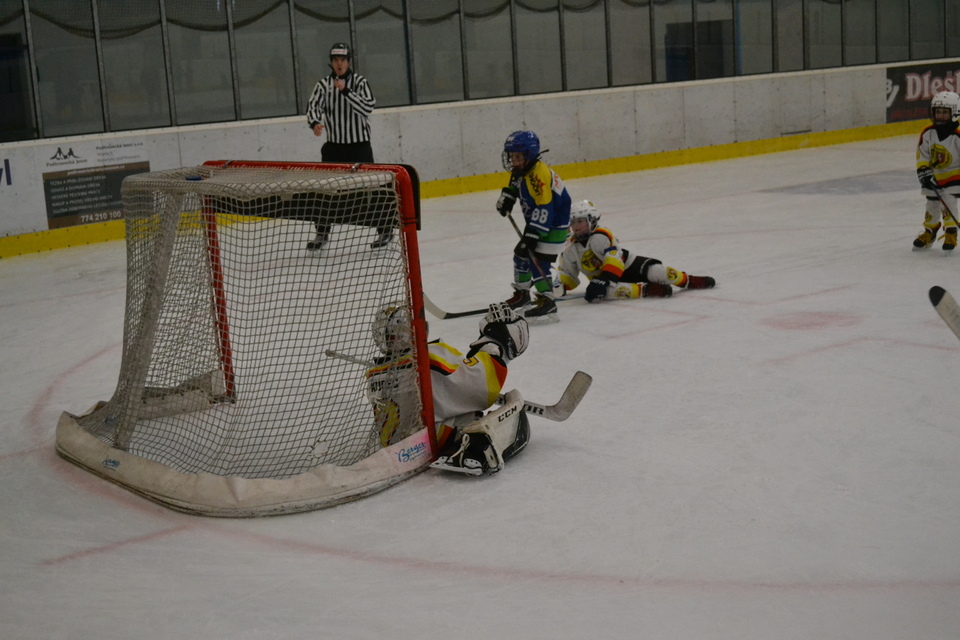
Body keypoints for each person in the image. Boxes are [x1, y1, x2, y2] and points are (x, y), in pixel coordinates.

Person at [365, 302, 531, 476]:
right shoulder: (430, 355)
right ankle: (473, 453)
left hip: (398, 450)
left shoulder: (374, 375)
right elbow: (479, 384)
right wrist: (497, 346)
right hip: (430, 443)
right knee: (513, 412)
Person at [305, 42, 391, 250]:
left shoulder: (360, 82)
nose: (339, 64)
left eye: (342, 60)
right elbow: (313, 106)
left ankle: (385, 230)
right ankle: (322, 232)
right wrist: (315, 123)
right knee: (324, 190)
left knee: (374, 187)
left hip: (359, 146)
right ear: (331, 62)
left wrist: (346, 91)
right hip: (334, 147)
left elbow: (367, 107)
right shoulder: (323, 85)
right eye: (335, 60)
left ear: (348, 62)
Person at [557, 200, 715, 303]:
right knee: (603, 293)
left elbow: (615, 261)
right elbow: (568, 273)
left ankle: (688, 280)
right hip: (605, 279)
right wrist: (561, 286)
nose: (576, 226)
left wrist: (603, 279)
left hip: (628, 266)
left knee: (659, 272)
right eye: (573, 222)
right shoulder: (570, 248)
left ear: (592, 220)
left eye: (580, 221)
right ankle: (646, 290)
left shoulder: (601, 235)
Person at [495, 130, 571, 322]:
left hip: (554, 226)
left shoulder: (539, 174)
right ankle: (522, 294)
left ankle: (548, 300)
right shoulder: (523, 169)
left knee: (538, 262)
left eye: (518, 157)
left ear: (529, 155)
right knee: (521, 255)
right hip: (540, 223)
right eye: (512, 157)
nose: (514, 161)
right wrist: (508, 197)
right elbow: (515, 183)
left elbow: (546, 207)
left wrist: (532, 234)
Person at [913, 90, 960, 252]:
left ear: (955, 112)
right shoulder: (928, 133)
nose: (940, 115)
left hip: (955, 175)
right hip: (934, 175)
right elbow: (922, 153)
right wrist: (923, 170)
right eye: (938, 111)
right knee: (932, 203)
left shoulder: (958, 135)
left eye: (945, 112)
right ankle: (930, 231)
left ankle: (951, 232)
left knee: (948, 200)